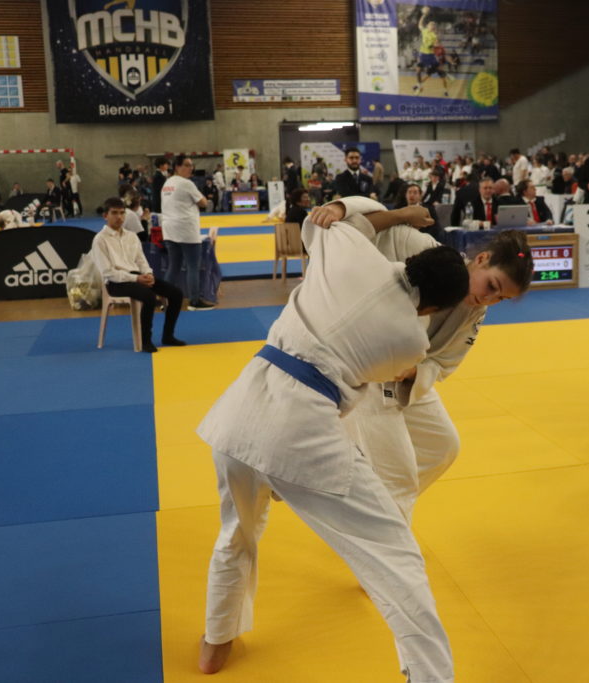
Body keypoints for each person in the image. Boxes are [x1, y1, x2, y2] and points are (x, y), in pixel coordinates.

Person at [194, 204, 469, 681]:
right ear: (432, 309)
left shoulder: (349, 250)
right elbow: (373, 395)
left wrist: (379, 212)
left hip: (239, 410)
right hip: (300, 434)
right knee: (397, 555)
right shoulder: (411, 341)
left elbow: (346, 222)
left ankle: (215, 640)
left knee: (236, 531)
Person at [326, 197, 532, 522]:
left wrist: (415, 372)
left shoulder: (475, 312)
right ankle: (382, 525)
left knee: (443, 446)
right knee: (399, 477)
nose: (488, 298)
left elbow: (445, 362)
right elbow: (356, 229)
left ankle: (372, 506)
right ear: (481, 259)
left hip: (404, 377)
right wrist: (383, 212)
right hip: (364, 366)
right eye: (492, 285)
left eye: (501, 298)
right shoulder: (424, 249)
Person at [92, 197, 184, 353]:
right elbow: (108, 272)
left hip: (137, 277)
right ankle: (145, 340)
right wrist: (136, 278)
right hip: (115, 283)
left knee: (176, 293)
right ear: (105, 216)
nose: (119, 217)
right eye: (114, 213)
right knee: (149, 296)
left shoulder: (131, 236)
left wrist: (148, 274)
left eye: (122, 213)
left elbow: (141, 260)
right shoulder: (99, 240)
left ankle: (168, 336)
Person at [161, 154, 213, 310]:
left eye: (191, 165)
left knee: (173, 266)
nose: (191, 168)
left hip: (169, 229)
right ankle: (194, 301)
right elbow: (203, 203)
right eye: (187, 165)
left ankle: (166, 301)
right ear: (177, 167)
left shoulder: (167, 183)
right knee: (192, 266)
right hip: (186, 230)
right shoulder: (186, 183)